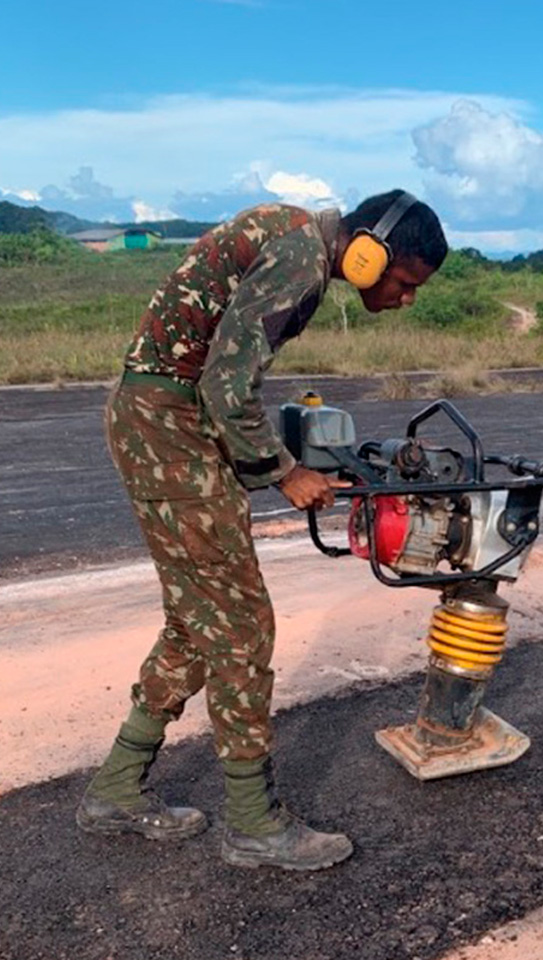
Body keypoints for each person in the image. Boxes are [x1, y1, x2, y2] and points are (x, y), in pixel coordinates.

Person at [77, 189, 448, 870]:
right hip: (169, 426)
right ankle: (252, 824)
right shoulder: (303, 256)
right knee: (243, 625)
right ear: (368, 251)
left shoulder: (295, 239)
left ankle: (116, 789)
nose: (405, 299)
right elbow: (224, 382)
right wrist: (283, 473)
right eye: (404, 281)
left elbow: (223, 372)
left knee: (200, 621)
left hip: (163, 420)